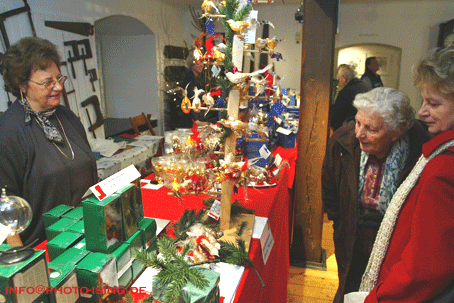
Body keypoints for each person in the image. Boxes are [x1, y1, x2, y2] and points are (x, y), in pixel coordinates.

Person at [355, 47, 454, 302]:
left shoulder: (442, 168)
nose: (422, 112)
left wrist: (375, 298)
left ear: (395, 132)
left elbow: (424, 267)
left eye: (433, 104)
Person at [322, 87, 432, 303]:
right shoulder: (341, 141)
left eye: (370, 128)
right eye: (358, 122)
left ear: (397, 131)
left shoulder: (421, 151)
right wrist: (340, 222)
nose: (359, 133)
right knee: (348, 289)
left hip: (394, 246)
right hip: (352, 238)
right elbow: (329, 188)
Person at [0, 37, 97, 246]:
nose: (58, 87)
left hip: (85, 234)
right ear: (21, 85)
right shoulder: (9, 131)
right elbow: (5, 207)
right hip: (43, 247)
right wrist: (20, 265)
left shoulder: (67, 116)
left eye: (59, 79)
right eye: (47, 82)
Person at [330, 64, 370, 131]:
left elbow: (335, 118)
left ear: (344, 78)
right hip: (363, 128)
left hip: (347, 133)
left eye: (339, 79)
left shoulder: (345, 92)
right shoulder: (364, 86)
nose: (339, 82)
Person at [177, 51, 205, 128]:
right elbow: (189, 100)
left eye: (202, 62)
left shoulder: (194, 77)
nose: (201, 65)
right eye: (198, 63)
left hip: (195, 117)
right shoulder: (189, 79)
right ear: (191, 65)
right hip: (191, 121)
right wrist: (196, 120)